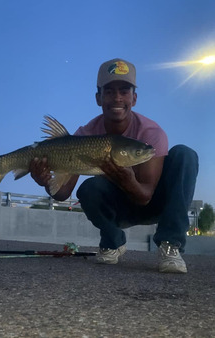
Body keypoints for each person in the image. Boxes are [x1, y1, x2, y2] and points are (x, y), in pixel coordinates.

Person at [29, 58, 199, 273]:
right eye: (109, 91)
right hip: (119, 209)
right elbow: (63, 194)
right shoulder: (85, 134)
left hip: (156, 204)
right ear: (98, 98)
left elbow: (145, 196)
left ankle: (170, 245)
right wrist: (46, 181)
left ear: (134, 98)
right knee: (89, 188)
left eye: (124, 91)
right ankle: (113, 242)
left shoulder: (151, 134)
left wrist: (127, 178)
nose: (117, 98)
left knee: (184, 155)